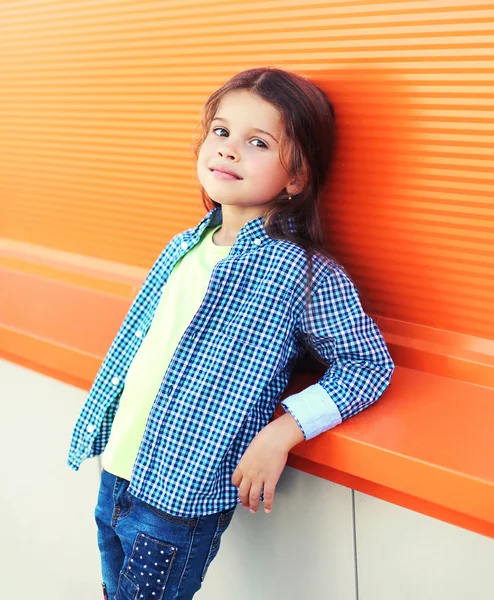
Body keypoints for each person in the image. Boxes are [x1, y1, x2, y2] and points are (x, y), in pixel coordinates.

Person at [67, 66, 395, 600]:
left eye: (257, 142)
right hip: (117, 470)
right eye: (221, 132)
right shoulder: (182, 247)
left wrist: (281, 433)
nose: (228, 150)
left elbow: (367, 365)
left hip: (179, 494)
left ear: (296, 178)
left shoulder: (301, 272)